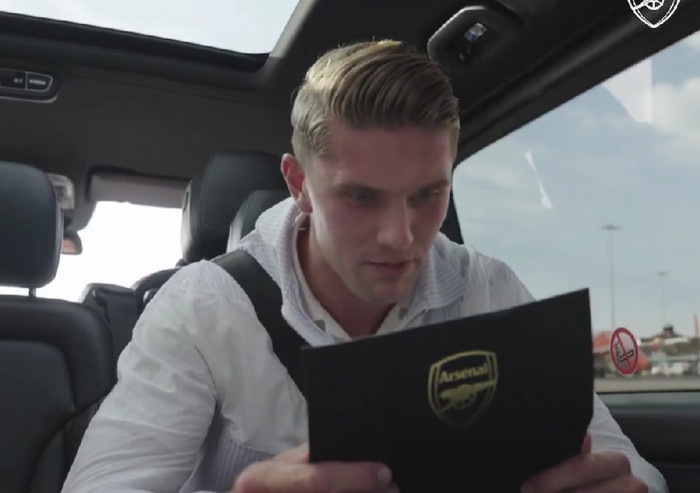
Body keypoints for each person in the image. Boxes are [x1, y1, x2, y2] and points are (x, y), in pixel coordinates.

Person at [62, 40, 667, 493]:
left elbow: (631, 466)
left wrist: (621, 484)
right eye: (360, 197)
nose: (401, 237)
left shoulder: (489, 288)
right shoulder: (202, 309)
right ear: (299, 184)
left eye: (428, 195)